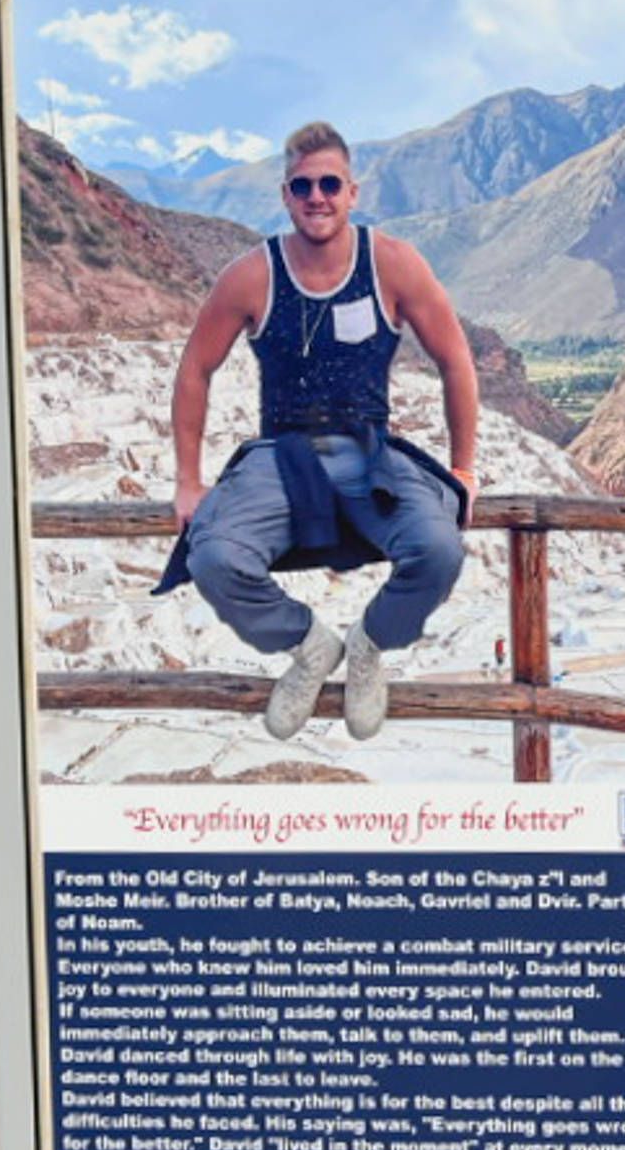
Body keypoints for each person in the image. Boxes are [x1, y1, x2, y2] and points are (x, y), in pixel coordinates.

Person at [161, 124, 479, 741]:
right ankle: (309, 646)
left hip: (369, 450)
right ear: (285, 194)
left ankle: (368, 645)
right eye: (302, 186)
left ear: (352, 192)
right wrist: (188, 480)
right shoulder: (252, 275)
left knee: (439, 551)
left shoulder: (391, 264)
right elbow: (195, 369)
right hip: (281, 453)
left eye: (329, 184)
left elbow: (455, 360)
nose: (317, 197)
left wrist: (464, 466)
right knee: (215, 556)